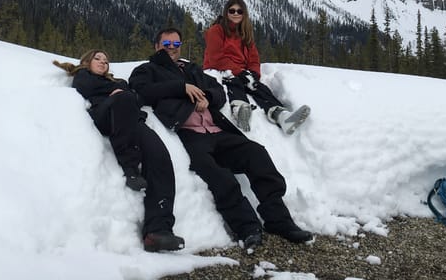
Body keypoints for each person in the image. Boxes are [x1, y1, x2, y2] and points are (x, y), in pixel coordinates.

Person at [129, 29, 312, 249]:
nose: (172, 46)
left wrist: (207, 97)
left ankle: (279, 220)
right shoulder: (147, 70)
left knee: (257, 154)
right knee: (218, 176)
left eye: (176, 42)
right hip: (191, 134)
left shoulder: (191, 68)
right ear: (157, 45)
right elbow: (142, 90)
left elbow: (218, 91)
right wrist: (181, 88)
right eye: (166, 42)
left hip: (217, 130)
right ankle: (247, 227)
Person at [54, 49, 185, 253]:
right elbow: (86, 87)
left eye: (106, 60)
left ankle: (159, 231)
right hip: (105, 113)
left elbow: (136, 96)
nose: (103, 62)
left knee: (160, 155)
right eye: (98, 58)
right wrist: (119, 92)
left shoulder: (117, 82)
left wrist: (121, 89)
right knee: (123, 99)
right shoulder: (83, 76)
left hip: (133, 120)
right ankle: (130, 168)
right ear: (87, 61)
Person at [204, 0, 310, 135]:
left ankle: (281, 116)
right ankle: (240, 111)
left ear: (244, 14)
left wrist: (253, 74)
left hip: (241, 71)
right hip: (219, 69)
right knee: (233, 82)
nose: (236, 13)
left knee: (258, 87)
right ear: (226, 13)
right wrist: (239, 72)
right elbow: (215, 57)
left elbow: (254, 59)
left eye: (239, 11)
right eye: (232, 10)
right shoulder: (216, 31)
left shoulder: (245, 34)